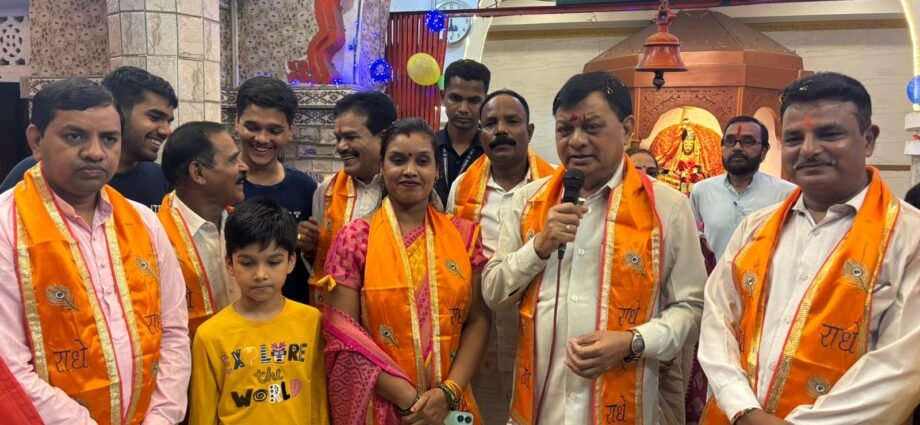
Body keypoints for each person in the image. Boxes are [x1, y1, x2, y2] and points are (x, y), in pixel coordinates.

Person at [482, 72, 707, 424]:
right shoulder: (527, 203)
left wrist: (633, 341)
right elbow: (493, 293)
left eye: (592, 127)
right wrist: (538, 246)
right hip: (539, 408)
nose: (576, 141)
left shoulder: (668, 208)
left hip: (623, 405)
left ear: (626, 128)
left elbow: (692, 309)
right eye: (564, 130)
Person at [698, 72, 920, 425]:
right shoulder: (755, 228)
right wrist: (742, 408)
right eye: (794, 138)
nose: (809, 149)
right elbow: (717, 321)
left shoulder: (909, 237)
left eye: (829, 134)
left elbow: (903, 367)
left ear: (868, 139)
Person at [0, 78, 189, 423]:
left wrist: (161, 418)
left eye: (109, 138)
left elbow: (174, 331)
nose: (95, 152)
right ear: (37, 141)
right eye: (75, 136)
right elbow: (8, 368)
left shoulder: (144, 222)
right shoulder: (6, 225)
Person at [322, 118, 491, 424]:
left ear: (436, 171)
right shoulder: (355, 239)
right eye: (398, 160)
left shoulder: (465, 238)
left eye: (422, 161)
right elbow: (343, 333)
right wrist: (410, 401)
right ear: (382, 166)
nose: (410, 170)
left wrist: (448, 392)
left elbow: (478, 320)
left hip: (449, 406)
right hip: (382, 404)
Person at [447, 89, 554, 425]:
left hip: (538, 328)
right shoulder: (462, 187)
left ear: (530, 131)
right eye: (491, 123)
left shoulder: (555, 185)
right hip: (480, 331)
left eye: (512, 121)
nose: (501, 130)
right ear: (481, 134)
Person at [190, 197, 328, 425]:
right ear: (229, 264)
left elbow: (318, 402)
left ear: (291, 261)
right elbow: (202, 416)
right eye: (247, 263)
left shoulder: (311, 321)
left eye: (273, 262)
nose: (260, 274)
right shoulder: (210, 336)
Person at [0, 66, 176, 211]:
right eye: (155, 117)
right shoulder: (33, 171)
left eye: (168, 121)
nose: (166, 131)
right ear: (117, 112)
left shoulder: (158, 179)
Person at [306, 91, 397, 306]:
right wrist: (309, 247)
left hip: (393, 309)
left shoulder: (408, 189)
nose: (340, 147)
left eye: (350, 137)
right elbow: (320, 261)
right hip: (337, 311)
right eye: (339, 138)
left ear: (383, 137)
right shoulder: (326, 191)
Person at [159, 121, 249, 335]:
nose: (244, 167)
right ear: (198, 172)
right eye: (232, 160)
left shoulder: (244, 226)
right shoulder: (154, 237)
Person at [236, 76, 318, 305]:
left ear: (291, 131)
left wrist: (311, 248)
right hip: (232, 315)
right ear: (237, 122)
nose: (262, 139)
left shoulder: (305, 188)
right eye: (252, 127)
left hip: (294, 316)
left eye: (274, 130)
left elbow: (318, 261)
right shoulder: (221, 184)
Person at [690, 116, 796, 260]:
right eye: (730, 141)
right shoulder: (701, 191)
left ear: (764, 151)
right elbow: (693, 243)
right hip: (714, 274)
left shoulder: (786, 194)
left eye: (747, 142)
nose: (737, 147)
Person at [433, 59, 491, 203]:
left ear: (485, 102)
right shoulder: (426, 146)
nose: (463, 109)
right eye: (455, 98)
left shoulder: (492, 152)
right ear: (442, 97)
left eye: (474, 101)